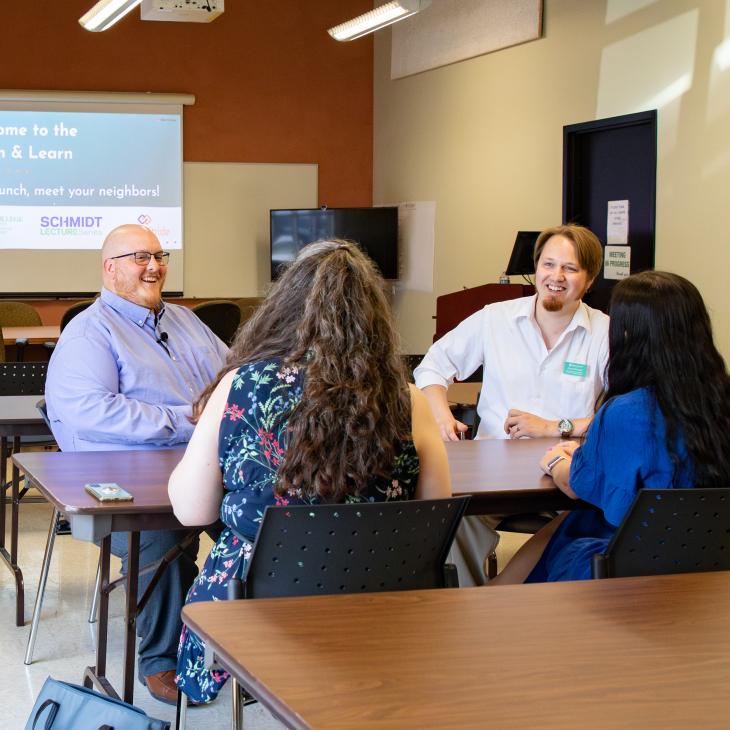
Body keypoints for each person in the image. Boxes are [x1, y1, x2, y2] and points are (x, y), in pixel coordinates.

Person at [169, 240, 451, 705]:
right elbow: (434, 515)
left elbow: (193, 510)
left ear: (282, 310)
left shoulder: (242, 387)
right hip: (379, 603)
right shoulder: (409, 400)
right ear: (374, 319)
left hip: (254, 608)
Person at [45, 224, 228, 704]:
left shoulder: (188, 321)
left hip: (208, 461)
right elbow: (91, 411)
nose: (154, 266)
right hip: (131, 474)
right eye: (139, 257)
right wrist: (187, 421)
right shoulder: (90, 331)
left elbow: (234, 376)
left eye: (160, 255)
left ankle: (244, 645)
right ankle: (162, 661)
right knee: (162, 538)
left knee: (263, 524)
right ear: (109, 268)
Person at [493, 271, 730, 584]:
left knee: (572, 524)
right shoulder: (720, 401)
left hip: (630, 570)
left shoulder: (627, 412)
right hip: (710, 563)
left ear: (628, 335)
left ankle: (496, 599)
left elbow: (576, 485)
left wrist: (557, 461)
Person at [414, 223, 609, 585]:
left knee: (584, 532)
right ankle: (469, 611)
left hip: (568, 476)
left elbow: (618, 416)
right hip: (492, 474)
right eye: (548, 265)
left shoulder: (605, 333)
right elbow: (432, 367)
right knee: (452, 522)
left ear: (590, 278)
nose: (556, 277)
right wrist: (441, 418)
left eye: (570, 268)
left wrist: (554, 426)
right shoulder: (496, 318)